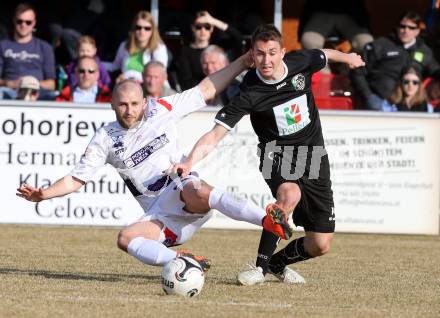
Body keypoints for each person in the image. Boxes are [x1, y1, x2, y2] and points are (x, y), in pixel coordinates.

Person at [17, 52, 290, 272]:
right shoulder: (105, 138)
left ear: (145, 102)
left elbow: (205, 89)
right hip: (162, 214)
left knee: (195, 188)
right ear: (112, 104)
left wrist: (242, 62)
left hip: (185, 190)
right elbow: (76, 178)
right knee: (125, 239)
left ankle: (266, 219)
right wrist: (45, 194)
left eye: (135, 104)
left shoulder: (162, 109)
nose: (130, 110)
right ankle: (181, 262)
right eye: (123, 105)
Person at [169, 24, 365, 285]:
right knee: (289, 194)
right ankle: (259, 268)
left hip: (314, 156)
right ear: (252, 54)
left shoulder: (300, 62)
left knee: (320, 244)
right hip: (276, 154)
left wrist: (348, 57)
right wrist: (189, 161)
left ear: (283, 52)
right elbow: (215, 134)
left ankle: (276, 263)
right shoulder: (250, 91)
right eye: (260, 54)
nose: (266, 60)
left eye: (272, 53)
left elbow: (323, 53)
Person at [351, 11, 440, 110]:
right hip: (381, 104)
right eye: (402, 26)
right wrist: (369, 96)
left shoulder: (424, 51)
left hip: (412, 106)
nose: (406, 30)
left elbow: (435, 71)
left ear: (417, 31)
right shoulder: (380, 45)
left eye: (411, 28)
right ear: (397, 27)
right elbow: (357, 71)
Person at [175, 11, 243, 90]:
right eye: (198, 27)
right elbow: (186, 81)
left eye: (207, 26)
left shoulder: (218, 46)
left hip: (223, 89)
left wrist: (213, 21)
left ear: (212, 29)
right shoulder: (185, 51)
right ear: (193, 28)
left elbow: (239, 38)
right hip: (201, 92)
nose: (203, 30)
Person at [0, 3, 56, 100]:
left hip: (37, 92)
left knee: (54, 96)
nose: (23, 25)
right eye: (19, 21)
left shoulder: (44, 47)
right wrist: (9, 83)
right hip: (10, 92)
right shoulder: (2, 45)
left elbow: (52, 84)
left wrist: (32, 83)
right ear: (14, 21)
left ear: (34, 23)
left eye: (28, 22)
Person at [112, 10, 168, 83]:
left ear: (153, 30)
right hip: (126, 86)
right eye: (138, 27)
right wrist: (97, 63)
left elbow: (158, 75)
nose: (142, 31)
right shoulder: (125, 45)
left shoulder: (159, 48)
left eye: (147, 28)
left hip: (149, 89)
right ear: (134, 28)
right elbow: (115, 66)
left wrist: (127, 75)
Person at [299, 0, 373, 54]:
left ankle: (349, 71)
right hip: (321, 10)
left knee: (366, 42)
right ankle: (323, 73)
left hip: (351, 12)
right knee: (309, 41)